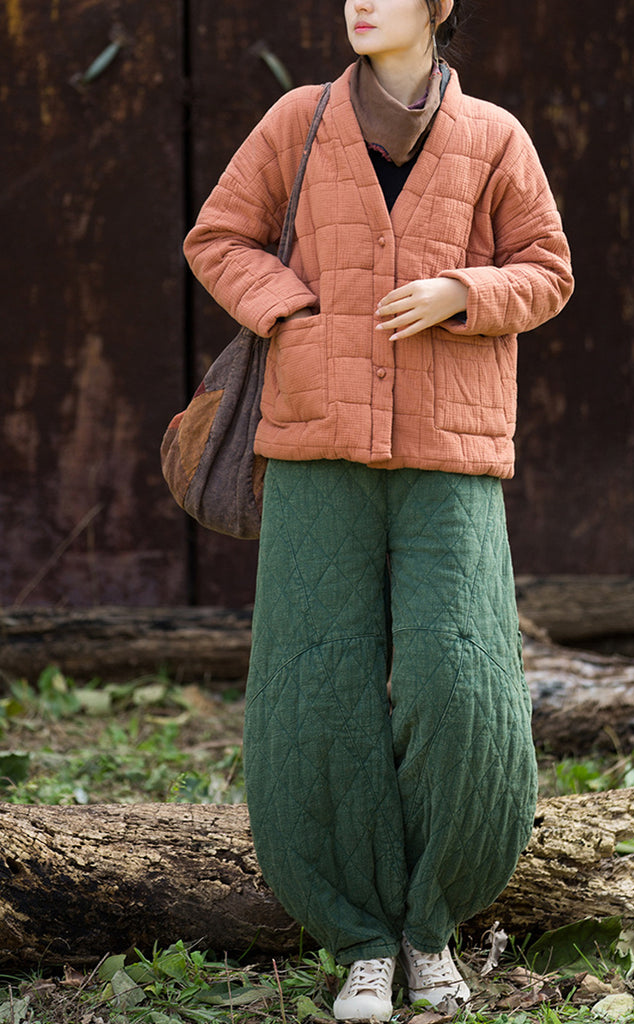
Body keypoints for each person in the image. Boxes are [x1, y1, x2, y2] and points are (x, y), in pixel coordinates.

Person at [184, 0, 573, 1019]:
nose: (361, 1)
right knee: (316, 683)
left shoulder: (493, 134)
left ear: (438, 6)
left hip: (453, 449)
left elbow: (549, 269)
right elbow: (218, 236)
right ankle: (359, 937)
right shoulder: (297, 119)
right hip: (315, 442)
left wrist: (464, 293)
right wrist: (291, 312)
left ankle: (431, 926)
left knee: (460, 678)